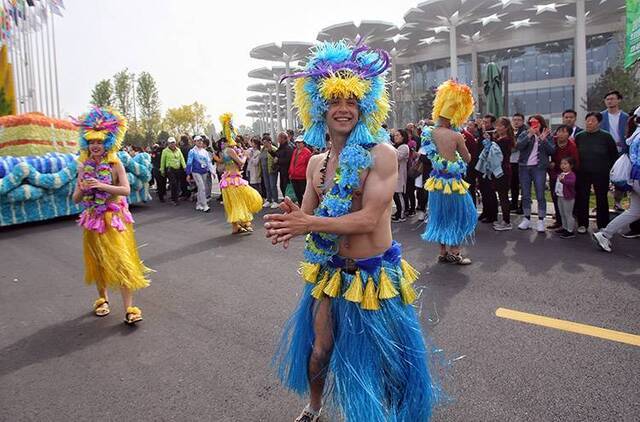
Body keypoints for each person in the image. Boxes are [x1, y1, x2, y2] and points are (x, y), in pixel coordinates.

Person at [265, 40, 435, 422]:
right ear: (320, 109)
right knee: (319, 350)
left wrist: (306, 222)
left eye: (352, 102)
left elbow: (368, 220)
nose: (343, 109)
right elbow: (307, 214)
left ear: (364, 107)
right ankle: (313, 406)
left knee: (387, 360)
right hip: (330, 273)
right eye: (335, 101)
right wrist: (289, 219)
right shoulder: (316, 164)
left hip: (375, 276)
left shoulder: (381, 154)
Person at [71, 107, 149, 325]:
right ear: (87, 144)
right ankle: (103, 299)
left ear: (107, 142)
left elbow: (126, 190)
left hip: (114, 219)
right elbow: (75, 199)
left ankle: (129, 309)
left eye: (100, 141)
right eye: (91, 142)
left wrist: (102, 185)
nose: (95, 146)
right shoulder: (83, 167)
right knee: (98, 262)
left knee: (122, 262)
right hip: (93, 219)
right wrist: (83, 189)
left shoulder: (115, 164)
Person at [421, 80, 477, 264]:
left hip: (436, 182)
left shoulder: (429, 133)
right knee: (461, 215)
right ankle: (455, 252)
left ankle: (443, 252)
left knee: (440, 215)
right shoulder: (456, 135)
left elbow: (429, 154)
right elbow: (467, 158)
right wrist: (463, 148)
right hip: (452, 182)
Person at [592, 111, 640, 251]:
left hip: (634, 177)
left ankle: (605, 234)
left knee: (635, 211)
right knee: (634, 211)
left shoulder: (635, 133)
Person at [214, 113, 263, 234]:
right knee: (241, 201)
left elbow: (222, 165)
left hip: (228, 180)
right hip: (233, 180)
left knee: (235, 203)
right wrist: (245, 156)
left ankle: (236, 226)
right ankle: (245, 223)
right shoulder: (230, 150)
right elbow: (241, 163)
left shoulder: (225, 150)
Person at [574, 112, 619, 232]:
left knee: (601, 198)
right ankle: (582, 224)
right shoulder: (579, 136)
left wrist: (609, 170)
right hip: (583, 172)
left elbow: (614, 155)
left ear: (599, 123)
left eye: (592, 120)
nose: (589, 123)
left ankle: (603, 225)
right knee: (582, 198)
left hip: (601, 173)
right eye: (587, 120)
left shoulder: (606, 137)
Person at [515, 115, 555, 233]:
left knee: (540, 195)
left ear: (541, 123)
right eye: (531, 122)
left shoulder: (547, 134)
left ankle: (541, 220)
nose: (533, 125)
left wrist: (542, 138)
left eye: (536, 122)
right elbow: (518, 146)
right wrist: (530, 135)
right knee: (526, 194)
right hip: (524, 167)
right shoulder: (525, 133)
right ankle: (526, 218)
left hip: (539, 168)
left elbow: (552, 150)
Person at [548, 125, 580, 230]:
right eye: (559, 131)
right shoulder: (552, 141)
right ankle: (559, 221)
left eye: (564, 132)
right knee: (556, 198)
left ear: (569, 134)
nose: (560, 134)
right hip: (554, 174)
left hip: (566, 176)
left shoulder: (572, 146)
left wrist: (567, 174)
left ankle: (568, 227)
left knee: (566, 201)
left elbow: (575, 163)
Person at [492, 117, 515, 231]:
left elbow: (496, 154)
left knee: (503, 196)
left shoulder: (505, 140)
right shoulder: (501, 139)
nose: (497, 128)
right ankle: (505, 220)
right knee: (502, 196)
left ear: (505, 128)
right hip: (500, 169)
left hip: (502, 170)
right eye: (497, 125)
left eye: (500, 126)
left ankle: (506, 222)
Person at [186, 135, 215, 212]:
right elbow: (189, 163)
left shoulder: (205, 151)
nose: (200, 142)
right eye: (198, 141)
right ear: (195, 142)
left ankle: (198, 204)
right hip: (196, 172)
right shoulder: (192, 151)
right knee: (202, 187)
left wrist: (212, 171)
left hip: (204, 171)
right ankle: (205, 205)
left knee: (201, 188)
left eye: (201, 141)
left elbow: (208, 162)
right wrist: (188, 174)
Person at [554, 157, 577, 239]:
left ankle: (570, 231)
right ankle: (564, 227)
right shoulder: (561, 174)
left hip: (568, 198)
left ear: (571, 165)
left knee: (568, 214)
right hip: (560, 196)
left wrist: (562, 180)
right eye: (561, 164)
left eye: (565, 164)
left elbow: (571, 183)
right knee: (562, 213)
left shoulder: (571, 175)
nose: (563, 166)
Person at [160, 137, 187, 206]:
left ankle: (176, 198)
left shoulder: (178, 150)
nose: (172, 144)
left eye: (173, 143)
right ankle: (173, 199)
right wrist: (162, 170)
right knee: (173, 183)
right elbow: (162, 161)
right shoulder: (165, 151)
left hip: (178, 168)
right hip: (170, 169)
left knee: (178, 184)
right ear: (168, 144)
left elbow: (182, 159)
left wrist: (184, 167)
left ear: (175, 143)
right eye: (170, 143)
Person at [392, 128, 410, 222]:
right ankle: (398, 212)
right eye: (394, 135)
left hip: (400, 175)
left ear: (403, 137)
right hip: (394, 175)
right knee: (395, 194)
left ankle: (401, 215)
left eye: (398, 135)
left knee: (399, 194)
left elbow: (397, 156)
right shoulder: (396, 146)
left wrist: (389, 148)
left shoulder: (404, 147)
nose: (395, 137)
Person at [288, 136, 312, 205]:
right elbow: (292, 162)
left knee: (304, 192)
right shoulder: (295, 151)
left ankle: (306, 206)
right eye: (297, 142)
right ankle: (301, 205)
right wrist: (290, 172)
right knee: (297, 193)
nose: (298, 144)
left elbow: (308, 165)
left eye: (299, 142)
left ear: (303, 143)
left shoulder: (307, 152)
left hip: (302, 177)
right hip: (294, 176)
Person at [510, 113, 526, 214]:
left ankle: (523, 206)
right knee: (513, 184)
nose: (516, 122)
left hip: (521, 161)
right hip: (511, 161)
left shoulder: (524, 131)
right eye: (515, 119)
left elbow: (517, 146)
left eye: (519, 120)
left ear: (523, 121)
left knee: (523, 185)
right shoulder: (511, 131)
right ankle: (514, 203)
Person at [274, 131, 294, 205]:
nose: (278, 139)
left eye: (279, 138)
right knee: (282, 186)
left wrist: (278, 160)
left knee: (286, 187)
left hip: (287, 171)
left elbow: (288, 159)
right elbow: (277, 154)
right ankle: (286, 200)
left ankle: (289, 201)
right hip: (282, 170)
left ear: (283, 138)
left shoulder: (288, 147)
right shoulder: (281, 147)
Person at [259, 135, 279, 208]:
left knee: (273, 185)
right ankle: (269, 199)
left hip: (272, 169)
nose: (264, 144)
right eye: (263, 142)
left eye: (265, 142)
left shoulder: (274, 149)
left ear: (269, 142)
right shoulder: (262, 149)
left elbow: (277, 158)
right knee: (267, 185)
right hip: (264, 170)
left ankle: (276, 200)